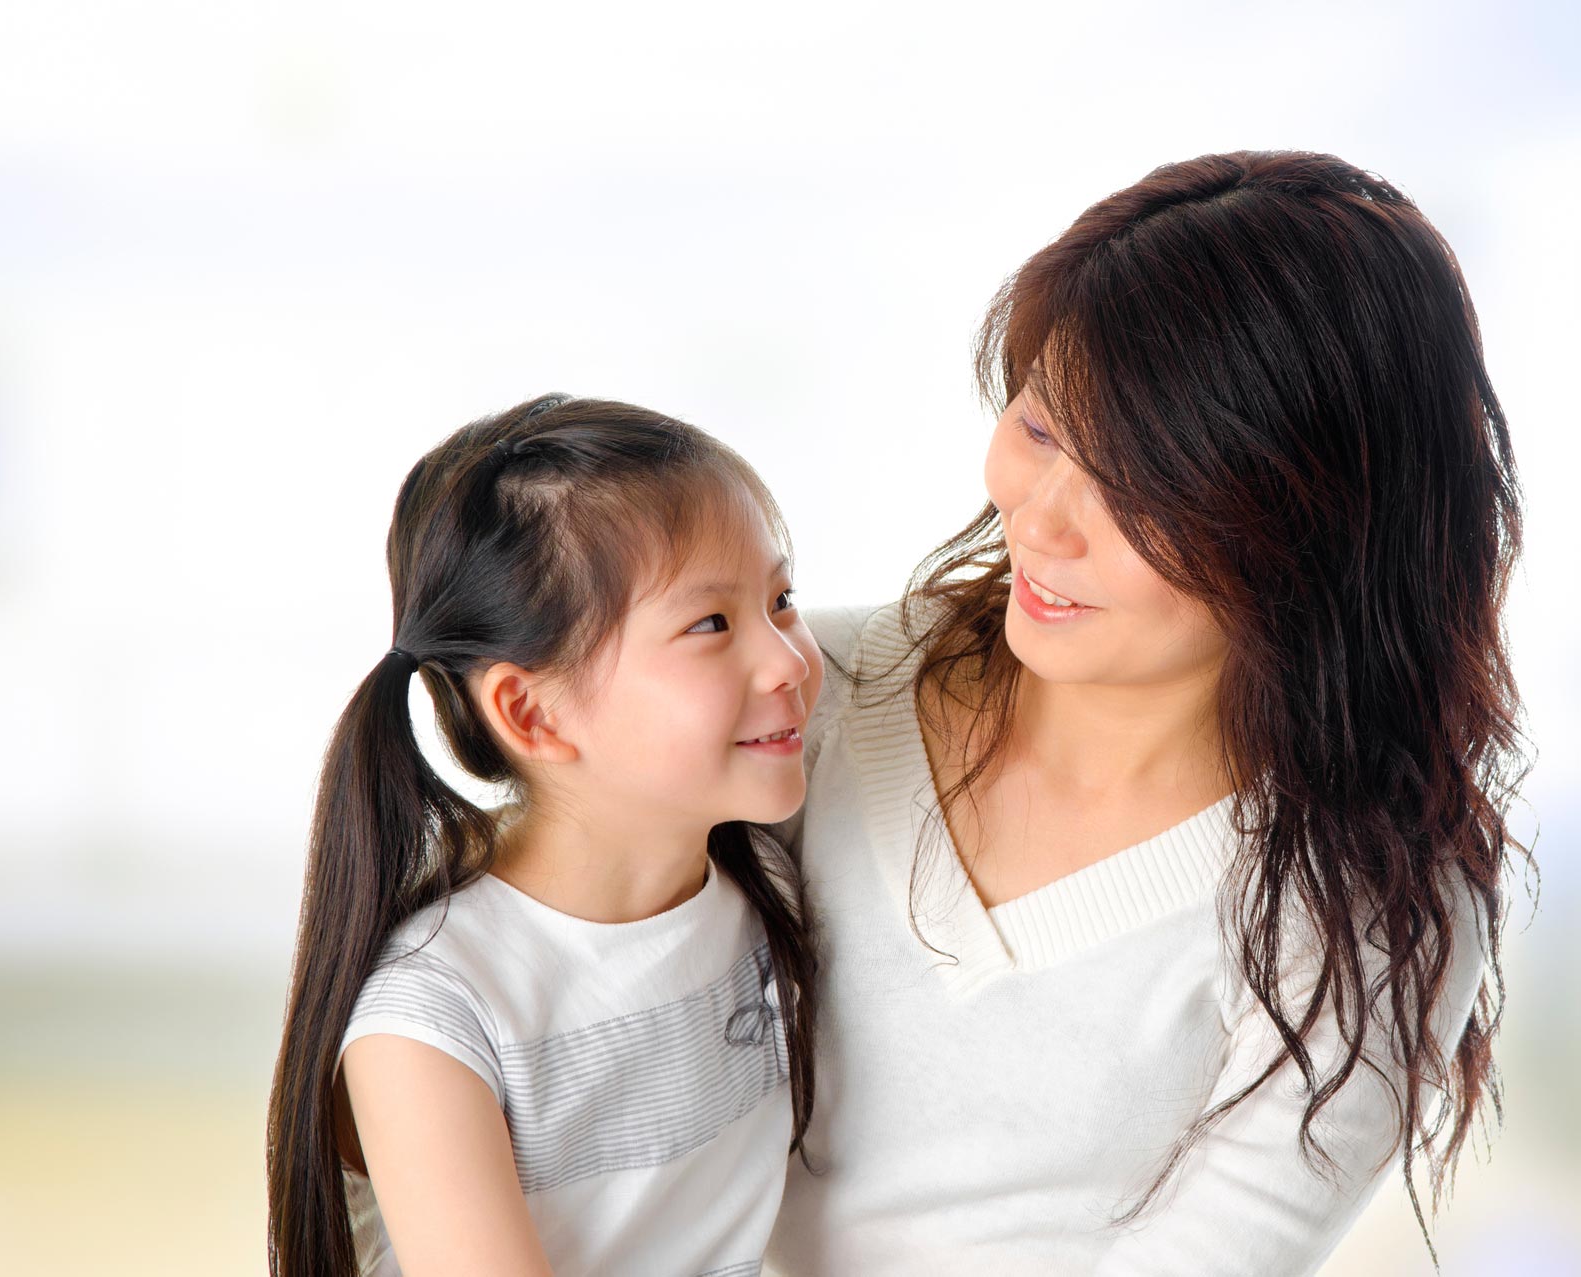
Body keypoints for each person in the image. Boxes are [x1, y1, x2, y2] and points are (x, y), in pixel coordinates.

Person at [767, 151, 1530, 1275]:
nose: (1042, 524)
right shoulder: (797, 693)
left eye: (1140, 487)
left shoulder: (1360, 905)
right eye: (1039, 429)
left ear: (1319, 527)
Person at [266, 394, 827, 1276]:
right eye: (709, 624)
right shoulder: (432, 1020)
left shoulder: (766, 879)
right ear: (532, 713)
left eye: (781, 599)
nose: (789, 661)